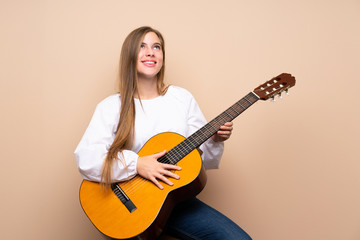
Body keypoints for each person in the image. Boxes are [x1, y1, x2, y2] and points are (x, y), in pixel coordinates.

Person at [75, 26, 251, 240]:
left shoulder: (181, 98)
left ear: (162, 57)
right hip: (129, 208)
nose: (151, 52)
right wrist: (137, 164)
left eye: (156, 47)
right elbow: (87, 158)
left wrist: (214, 138)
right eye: (142, 46)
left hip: (175, 200)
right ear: (130, 55)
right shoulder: (111, 106)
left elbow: (199, 160)